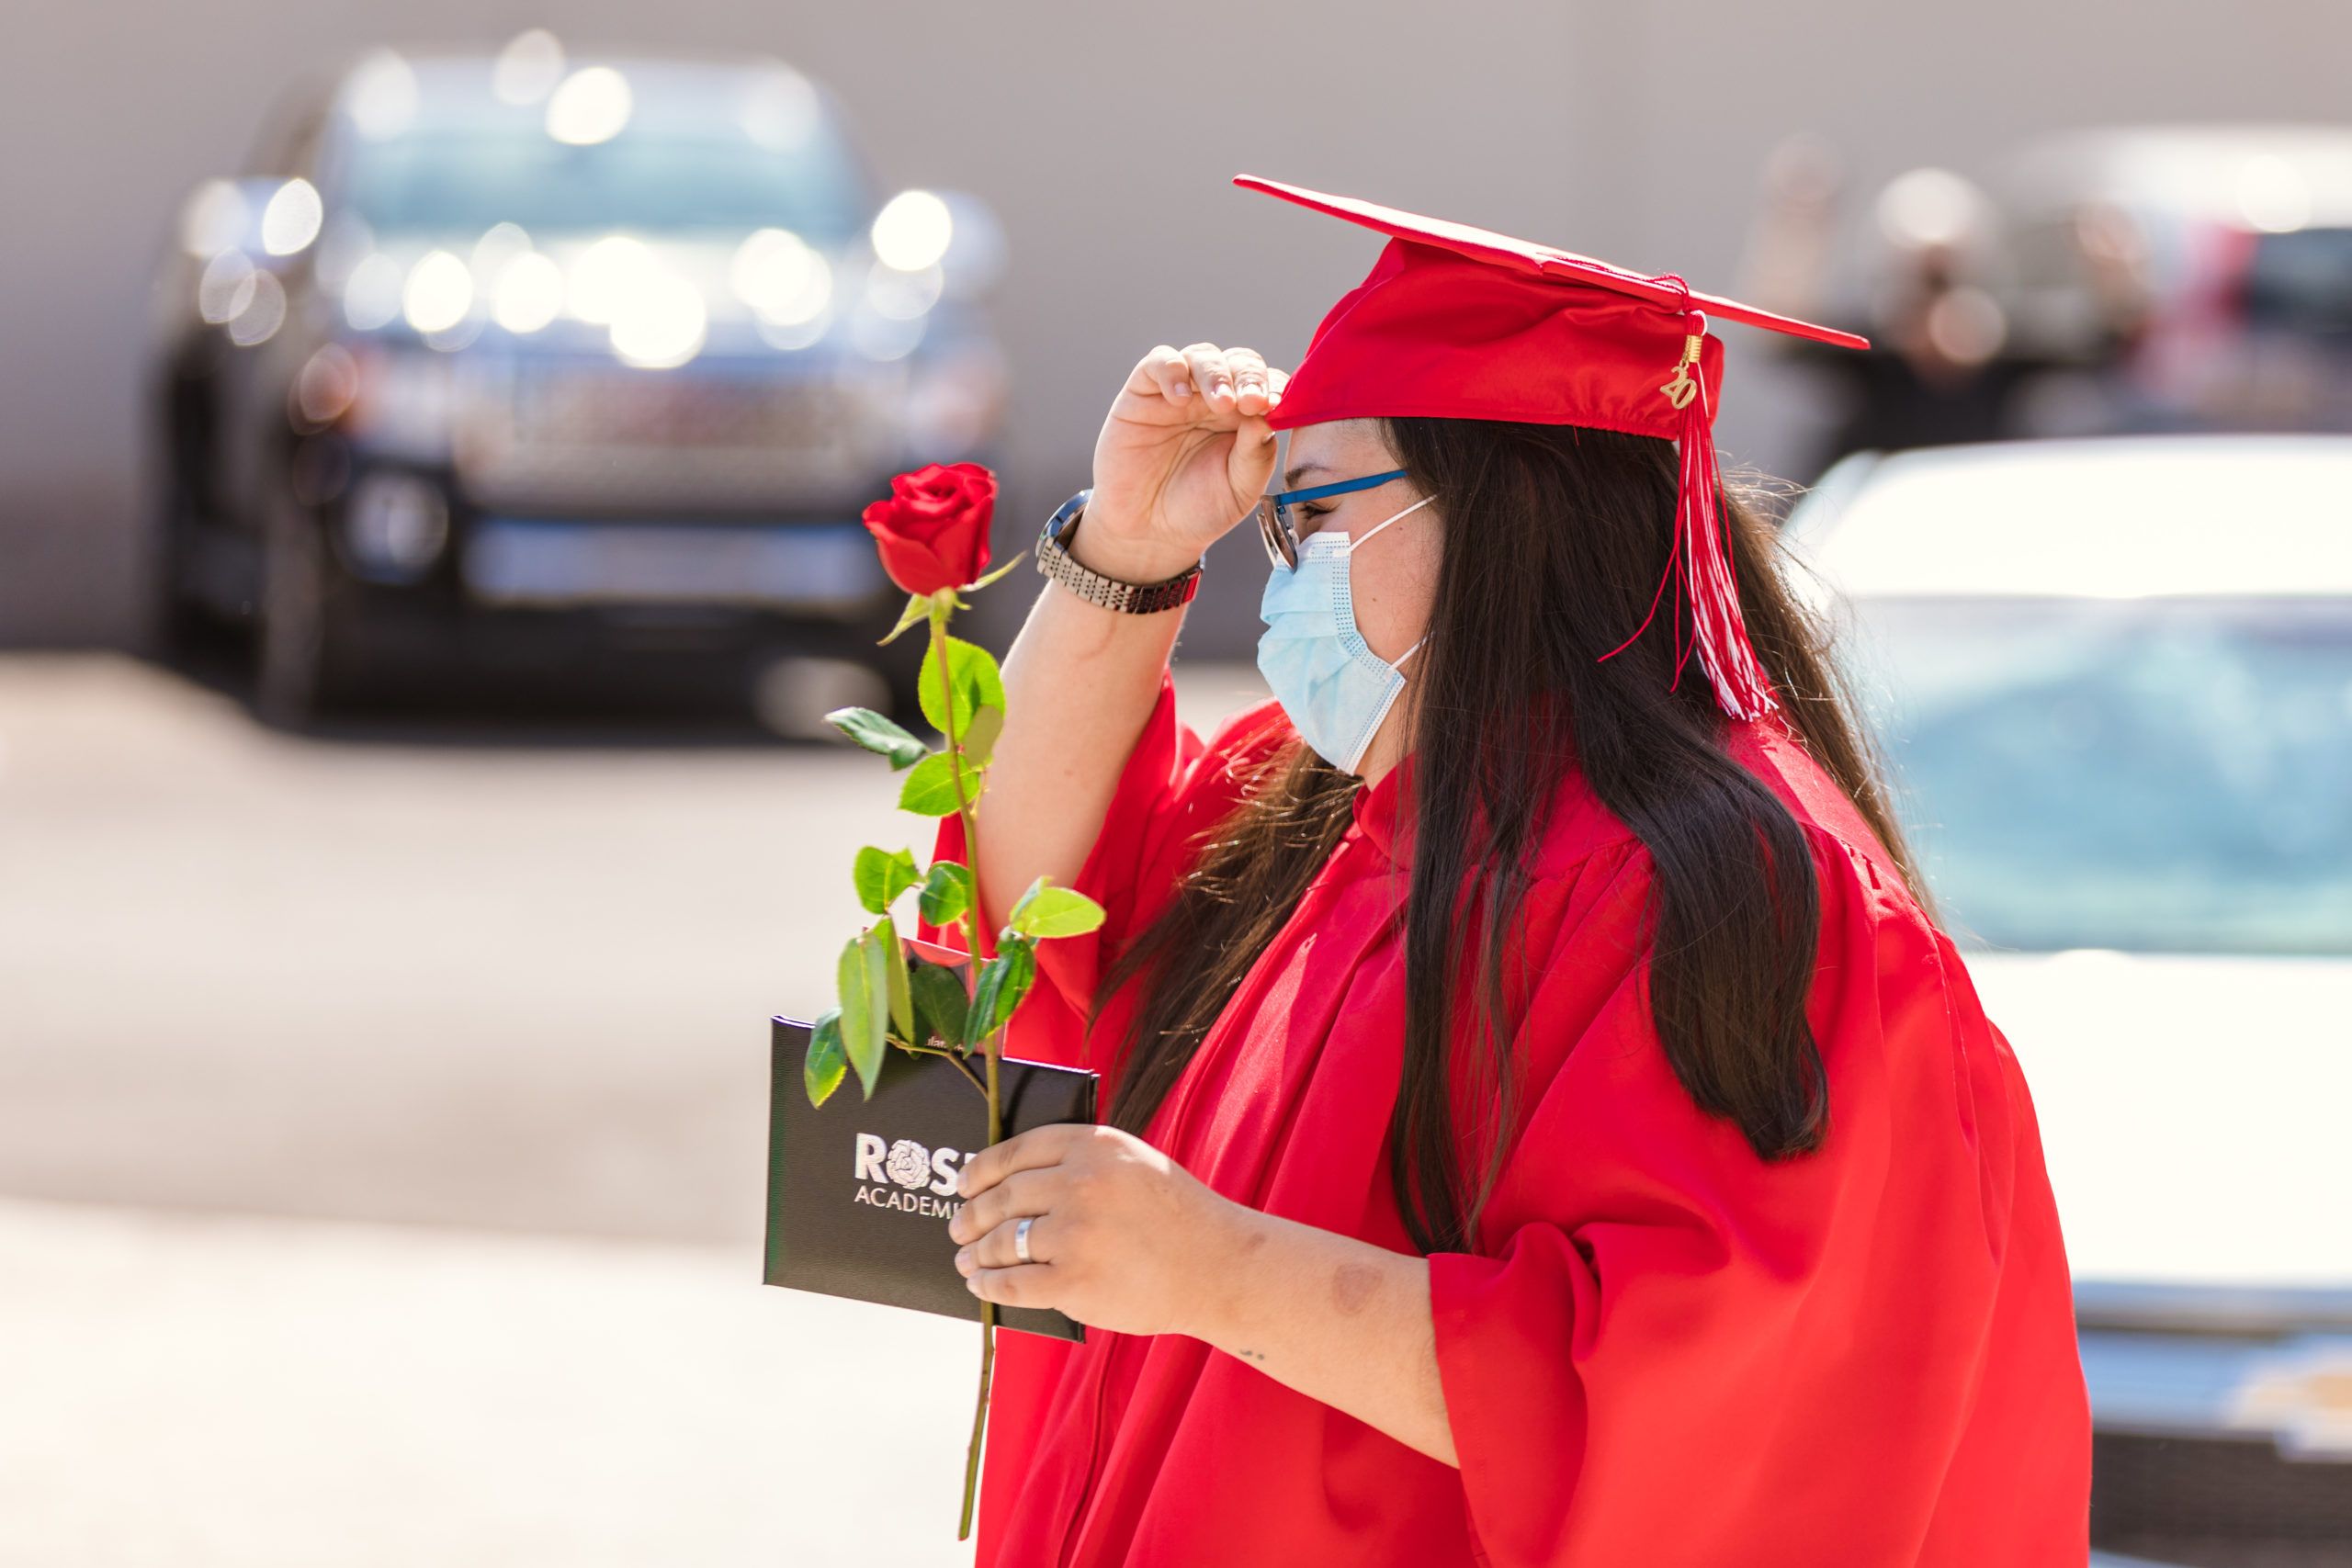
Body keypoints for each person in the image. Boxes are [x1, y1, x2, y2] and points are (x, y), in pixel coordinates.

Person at [922, 175, 2091, 1567]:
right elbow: (1033, 904)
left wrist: (1209, 1269)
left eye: (1309, 512)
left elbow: (1700, 1408)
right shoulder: (1322, 801)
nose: (1281, 570)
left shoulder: (1729, 894)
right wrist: (1127, 546)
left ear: (1495, 512)